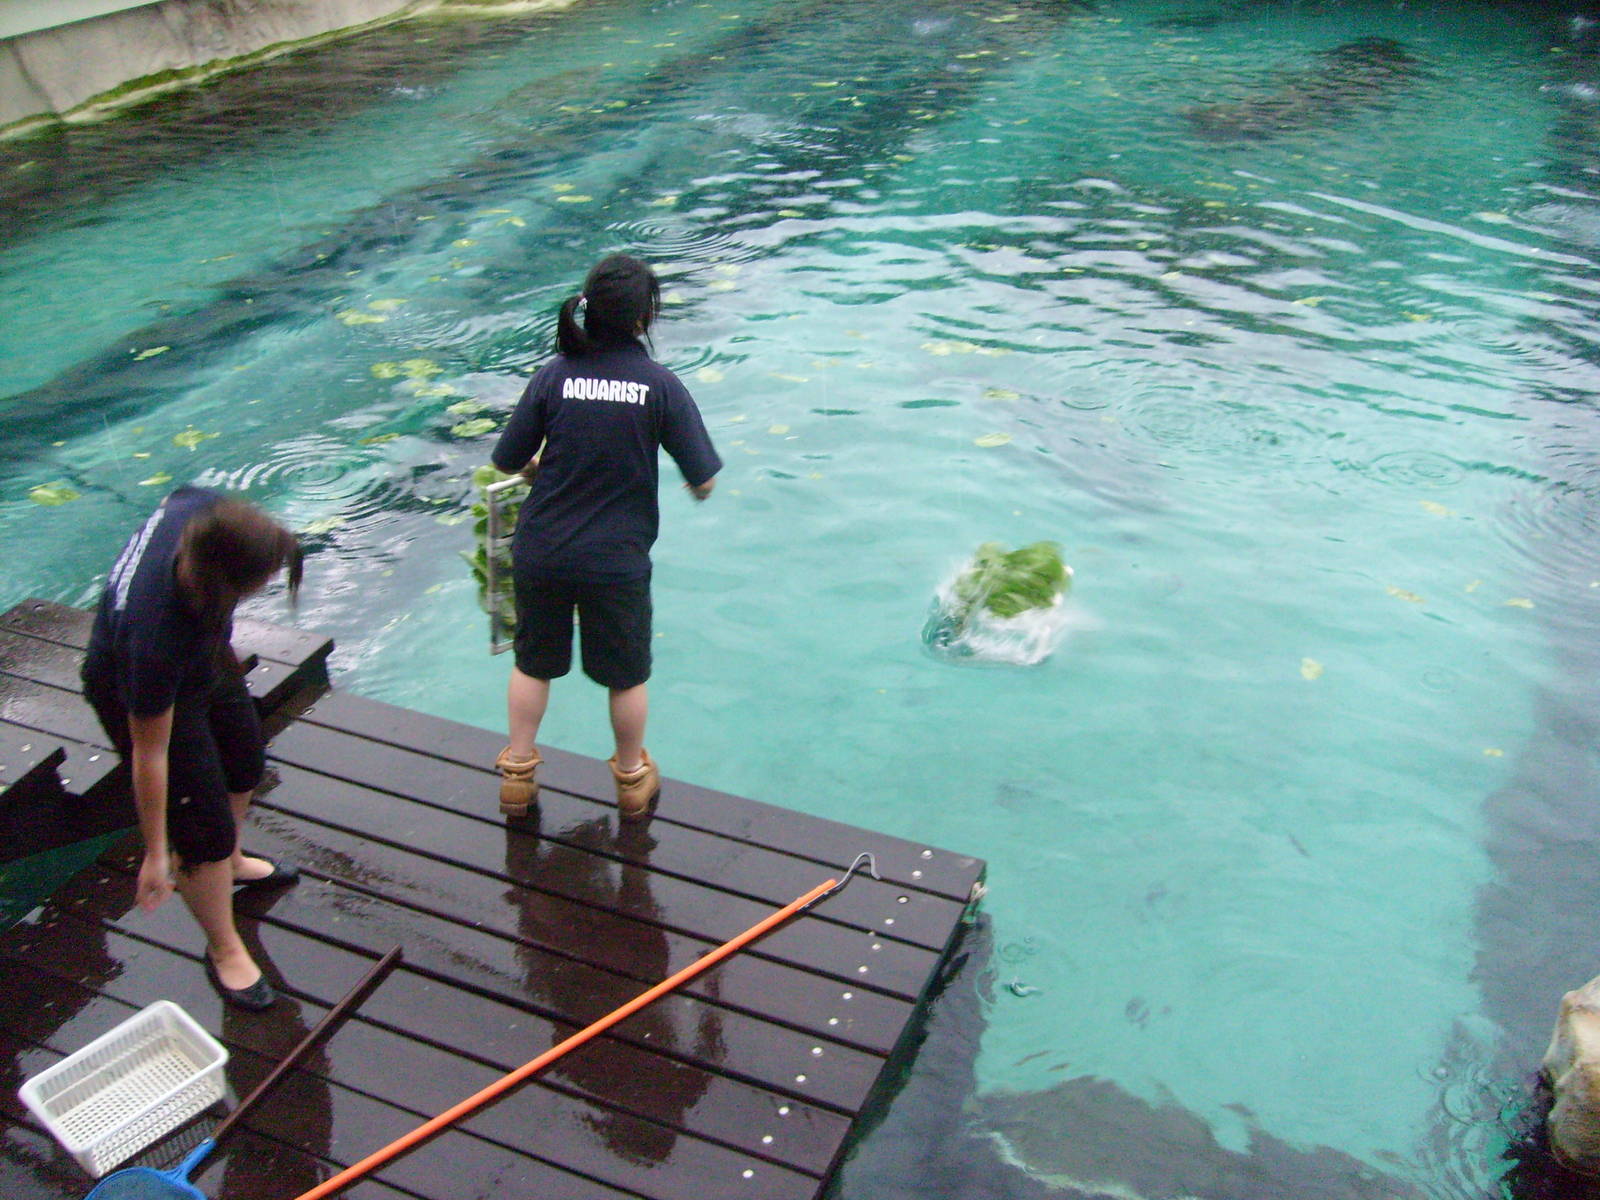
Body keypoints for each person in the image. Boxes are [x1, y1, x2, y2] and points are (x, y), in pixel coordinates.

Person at [490, 253, 721, 821]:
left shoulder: (553, 376)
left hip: (541, 550)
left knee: (533, 664)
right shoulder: (659, 386)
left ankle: (518, 777)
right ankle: (630, 779)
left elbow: (506, 461)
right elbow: (705, 480)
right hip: (614, 561)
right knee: (626, 675)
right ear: (644, 320)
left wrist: (539, 470)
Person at [80, 486, 304, 1011]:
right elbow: (150, 755)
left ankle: (229, 858)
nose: (263, 587)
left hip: (201, 657)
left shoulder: (196, 511)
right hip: (132, 688)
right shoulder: (154, 636)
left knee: (245, 758)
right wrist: (158, 853)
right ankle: (224, 945)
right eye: (256, 585)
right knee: (198, 823)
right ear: (220, 585)